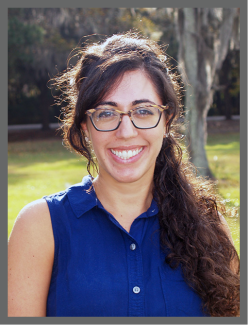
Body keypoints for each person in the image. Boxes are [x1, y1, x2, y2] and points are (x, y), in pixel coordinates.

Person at [8, 32, 240, 317]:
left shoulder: (208, 225)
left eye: (143, 111)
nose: (126, 131)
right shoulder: (40, 227)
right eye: (106, 113)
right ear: (84, 125)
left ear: (166, 121)